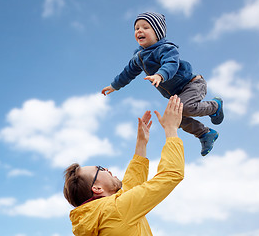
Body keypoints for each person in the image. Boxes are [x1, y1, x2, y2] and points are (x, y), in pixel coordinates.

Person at [101, 12, 224, 156]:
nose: (139, 30)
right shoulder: (138, 57)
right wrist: (115, 85)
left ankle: (215, 106)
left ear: (157, 33)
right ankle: (205, 133)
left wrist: (160, 75)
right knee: (173, 118)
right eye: (136, 28)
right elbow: (128, 72)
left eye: (145, 27)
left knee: (186, 107)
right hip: (177, 94)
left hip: (192, 84)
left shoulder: (166, 48)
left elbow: (170, 64)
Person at [64, 95, 185, 236]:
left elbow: (129, 188)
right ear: (97, 188)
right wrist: (171, 129)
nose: (107, 169)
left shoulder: (96, 216)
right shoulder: (116, 210)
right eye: (100, 169)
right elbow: (171, 175)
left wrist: (141, 143)